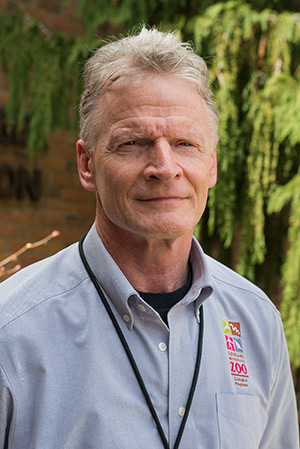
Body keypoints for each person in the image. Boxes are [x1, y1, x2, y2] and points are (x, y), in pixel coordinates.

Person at [0, 27, 298, 449]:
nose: (165, 166)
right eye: (133, 143)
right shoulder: (10, 333)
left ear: (210, 165)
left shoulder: (256, 321)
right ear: (86, 165)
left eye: (185, 143)